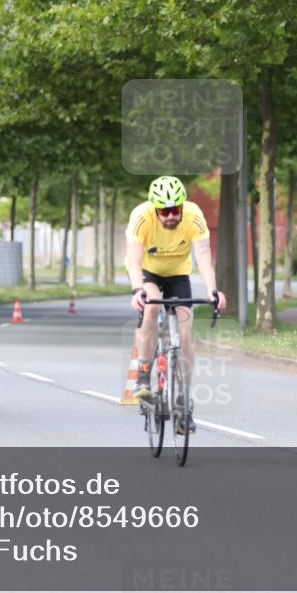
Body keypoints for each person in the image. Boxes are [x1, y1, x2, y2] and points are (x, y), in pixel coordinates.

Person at [125, 176, 226, 433]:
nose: (171, 216)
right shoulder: (141, 217)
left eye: (175, 209)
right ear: (155, 209)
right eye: (165, 211)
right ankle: (144, 376)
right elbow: (134, 261)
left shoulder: (194, 216)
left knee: (185, 332)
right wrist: (138, 291)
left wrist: (213, 291)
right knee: (152, 307)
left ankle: (183, 402)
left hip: (178, 274)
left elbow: (203, 256)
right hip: (148, 271)